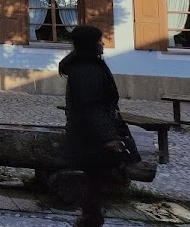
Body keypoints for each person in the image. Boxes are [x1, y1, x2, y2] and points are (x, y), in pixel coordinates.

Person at [59, 25, 132, 227]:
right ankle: (90, 219)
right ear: (90, 44)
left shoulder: (88, 65)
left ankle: (91, 218)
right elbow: (92, 106)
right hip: (91, 133)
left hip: (89, 131)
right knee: (95, 177)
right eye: (99, 40)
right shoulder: (86, 70)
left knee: (96, 176)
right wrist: (109, 137)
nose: (103, 44)